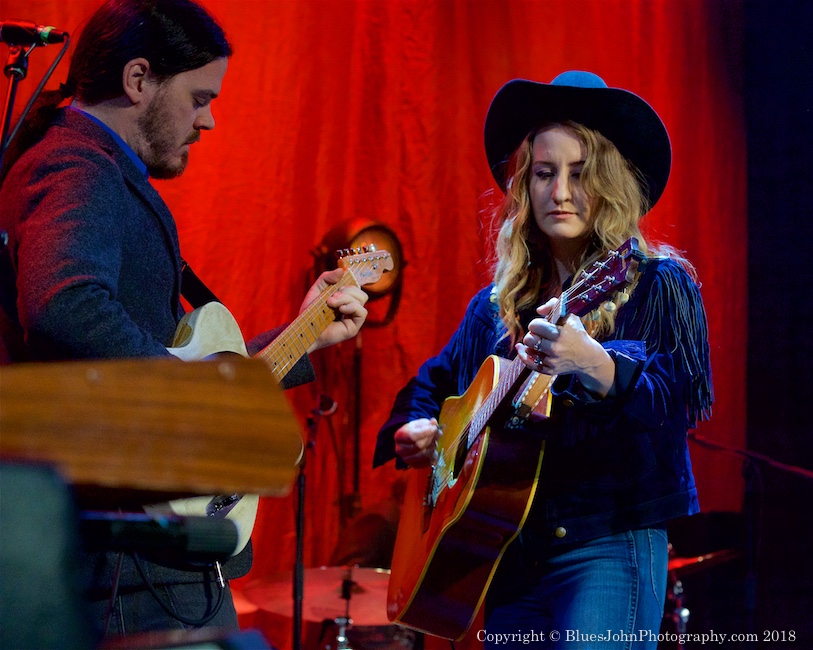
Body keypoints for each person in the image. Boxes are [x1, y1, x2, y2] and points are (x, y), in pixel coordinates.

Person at [0, 0, 368, 638]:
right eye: (199, 98)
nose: (210, 119)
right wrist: (196, 403)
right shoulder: (77, 168)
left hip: (138, 563)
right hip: (127, 572)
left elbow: (179, 359)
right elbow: (67, 306)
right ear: (138, 80)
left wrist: (302, 333)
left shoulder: (93, 169)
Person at [374, 71, 712, 648]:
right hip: (508, 551)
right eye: (544, 173)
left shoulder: (659, 284)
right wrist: (417, 430)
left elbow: (680, 401)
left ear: (612, 185)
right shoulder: (494, 308)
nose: (559, 192)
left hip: (606, 542)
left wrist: (594, 362)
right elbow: (428, 387)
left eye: (581, 175)